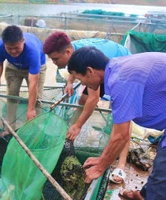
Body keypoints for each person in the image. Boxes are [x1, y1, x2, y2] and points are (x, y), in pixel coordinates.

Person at [67, 46, 166, 200]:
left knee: (163, 171)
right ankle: (144, 195)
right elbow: (120, 128)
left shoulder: (121, 80)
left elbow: (121, 136)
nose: (84, 84)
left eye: (80, 79)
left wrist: (101, 167)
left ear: (90, 71)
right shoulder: (117, 68)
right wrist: (102, 158)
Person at [43, 31, 131, 184]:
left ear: (68, 52)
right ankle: (71, 134)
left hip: (121, 65)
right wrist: (70, 82)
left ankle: (121, 164)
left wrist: (78, 125)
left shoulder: (93, 66)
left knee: (123, 116)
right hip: (101, 68)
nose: (54, 63)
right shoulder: (76, 53)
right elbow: (75, 69)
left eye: (55, 59)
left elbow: (93, 98)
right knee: (82, 99)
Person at [0, 25, 46, 136]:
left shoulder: (32, 51)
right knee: (11, 96)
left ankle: (35, 130)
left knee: (37, 100)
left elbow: (33, 83)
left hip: (35, 67)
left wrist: (30, 109)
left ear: (23, 41)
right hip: (13, 66)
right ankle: (10, 128)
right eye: (9, 48)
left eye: (16, 47)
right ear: (4, 44)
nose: (13, 51)